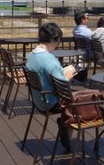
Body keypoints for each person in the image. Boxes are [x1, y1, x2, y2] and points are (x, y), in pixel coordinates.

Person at [26, 22, 77, 150]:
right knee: (85, 102)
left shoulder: (32, 55)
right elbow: (63, 88)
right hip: (50, 103)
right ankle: (66, 125)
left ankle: (65, 124)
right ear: (54, 39)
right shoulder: (49, 60)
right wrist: (68, 77)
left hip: (38, 100)